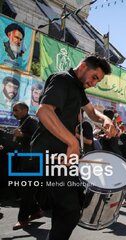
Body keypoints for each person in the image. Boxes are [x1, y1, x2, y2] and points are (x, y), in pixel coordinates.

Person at [31, 54, 115, 240]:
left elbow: (93, 113)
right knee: (69, 210)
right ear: (83, 66)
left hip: (63, 156)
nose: (94, 83)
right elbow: (44, 111)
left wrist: (107, 120)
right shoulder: (62, 79)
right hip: (50, 154)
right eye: (94, 77)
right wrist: (72, 142)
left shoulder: (78, 88)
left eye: (98, 81)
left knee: (72, 206)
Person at [11, 102, 41, 230]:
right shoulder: (23, 121)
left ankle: (22, 219)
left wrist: (22, 135)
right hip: (25, 159)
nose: (14, 113)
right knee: (25, 188)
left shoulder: (31, 121)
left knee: (27, 189)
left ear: (25, 110)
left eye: (16, 110)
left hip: (33, 160)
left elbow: (37, 140)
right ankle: (35, 211)